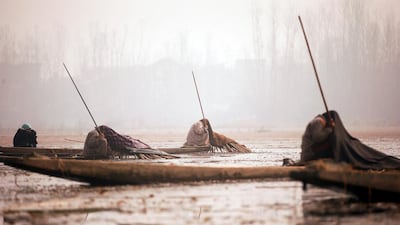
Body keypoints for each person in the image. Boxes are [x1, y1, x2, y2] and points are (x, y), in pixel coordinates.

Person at [286, 110, 400, 170]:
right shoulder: (318, 122)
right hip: (309, 155)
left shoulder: (319, 122)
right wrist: (330, 129)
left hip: (311, 153)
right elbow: (318, 137)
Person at [83, 125, 174, 159]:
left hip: (108, 137)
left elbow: (117, 139)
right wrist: (101, 138)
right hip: (103, 140)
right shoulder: (95, 138)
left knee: (127, 140)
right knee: (125, 142)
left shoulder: (96, 135)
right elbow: (101, 144)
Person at [184, 118, 251, 153]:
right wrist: (205, 129)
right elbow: (199, 131)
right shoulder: (199, 124)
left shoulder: (198, 124)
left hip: (192, 141)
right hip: (194, 141)